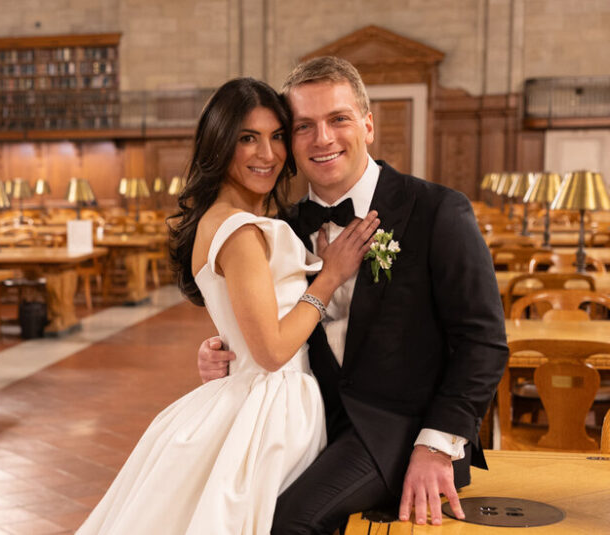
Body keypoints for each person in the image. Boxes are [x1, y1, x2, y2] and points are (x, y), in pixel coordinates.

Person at [197, 56, 508, 534]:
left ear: (367, 125)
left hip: (400, 432)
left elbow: (483, 342)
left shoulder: (437, 210)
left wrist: (437, 444)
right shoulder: (279, 228)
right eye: (303, 126)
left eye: (338, 119)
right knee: (227, 510)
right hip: (305, 423)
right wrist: (224, 350)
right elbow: (270, 326)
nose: (322, 138)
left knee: (288, 523)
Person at [77, 77, 380, 534]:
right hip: (272, 408)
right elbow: (271, 351)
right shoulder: (239, 231)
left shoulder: (239, 220)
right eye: (247, 138)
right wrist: (330, 276)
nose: (268, 154)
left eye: (277, 136)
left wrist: (222, 346)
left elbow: (249, 320)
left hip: (258, 394)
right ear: (219, 143)